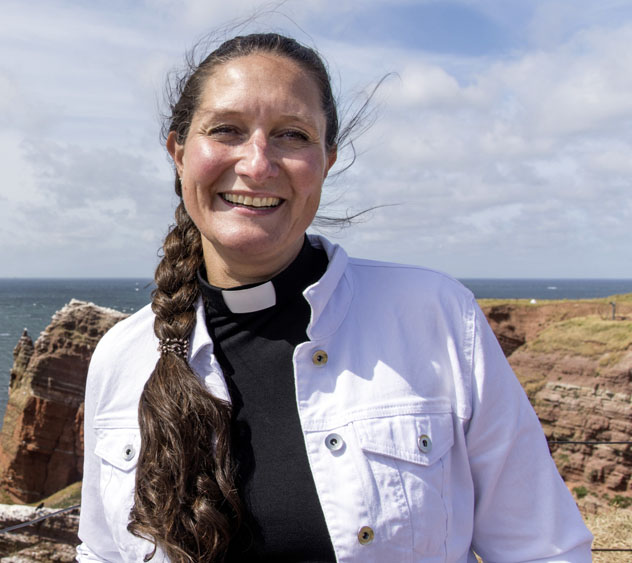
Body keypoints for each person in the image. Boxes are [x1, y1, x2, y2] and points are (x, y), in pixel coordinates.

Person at [77, 32, 592, 563]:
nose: (257, 164)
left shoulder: (435, 317)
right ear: (178, 152)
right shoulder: (122, 358)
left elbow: (545, 548)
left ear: (326, 160)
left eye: (292, 135)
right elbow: (100, 553)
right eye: (226, 129)